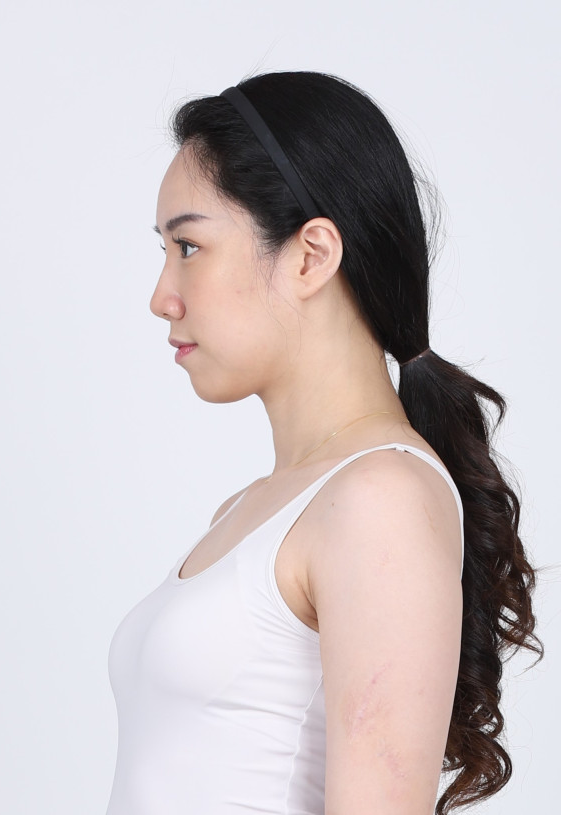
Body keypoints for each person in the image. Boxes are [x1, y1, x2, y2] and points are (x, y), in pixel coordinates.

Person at [105, 72, 541, 815]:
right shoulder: (250, 508)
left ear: (311, 255)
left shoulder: (382, 499)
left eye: (189, 246)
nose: (161, 296)